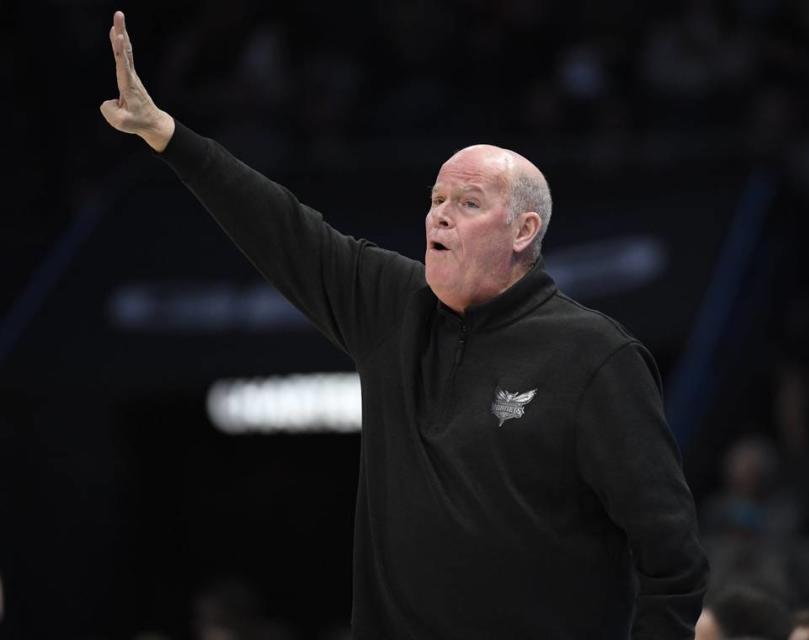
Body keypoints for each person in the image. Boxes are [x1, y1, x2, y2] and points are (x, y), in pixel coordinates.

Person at [100, 10, 709, 639]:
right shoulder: (393, 306)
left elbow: (673, 558)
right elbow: (282, 227)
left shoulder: (595, 356)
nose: (440, 217)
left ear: (523, 231)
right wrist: (169, 136)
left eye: (468, 204)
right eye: (436, 201)